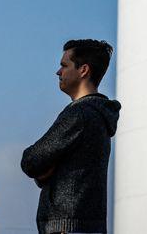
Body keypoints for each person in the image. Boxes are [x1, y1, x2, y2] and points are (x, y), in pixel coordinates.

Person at [21, 39, 121, 234]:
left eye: (64, 65)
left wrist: (45, 169)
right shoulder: (99, 115)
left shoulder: (79, 114)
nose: (58, 72)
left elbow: (30, 160)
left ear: (83, 70)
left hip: (66, 227)